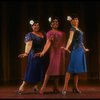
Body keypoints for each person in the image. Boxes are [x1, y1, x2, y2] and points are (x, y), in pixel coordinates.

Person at [36, 16, 67, 94]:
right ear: (51, 25)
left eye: (57, 22)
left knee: (58, 70)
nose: (55, 23)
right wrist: (43, 52)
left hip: (62, 53)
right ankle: (43, 87)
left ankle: (55, 87)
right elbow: (48, 43)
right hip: (54, 53)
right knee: (51, 69)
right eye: (53, 22)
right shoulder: (50, 32)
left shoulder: (62, 33)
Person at [61, 15, 89, 95]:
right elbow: (70, 38)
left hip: (80, 50)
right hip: (75, 50)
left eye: (77, 19)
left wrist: (84, 48)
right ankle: (65, 87)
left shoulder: (79, 29)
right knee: (70, 69)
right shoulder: (72, 28)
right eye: (75, 20)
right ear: (71, 21)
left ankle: (75, 87)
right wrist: (66, 47)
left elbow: (81, 41)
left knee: (77, 70)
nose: (76, 21)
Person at [18, 19, 47, 94]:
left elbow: (47, 44)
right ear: (31, 26)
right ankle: (23, 86)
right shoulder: (30, 34)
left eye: (37, 25)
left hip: (42, 55)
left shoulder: (43, 33)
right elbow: (29, 44)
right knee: (31, 71)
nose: (36, 26)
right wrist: (26, 53)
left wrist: (43, 52)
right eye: (34, 25)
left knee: (41, 71)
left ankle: (36, 86)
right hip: (34, 55)